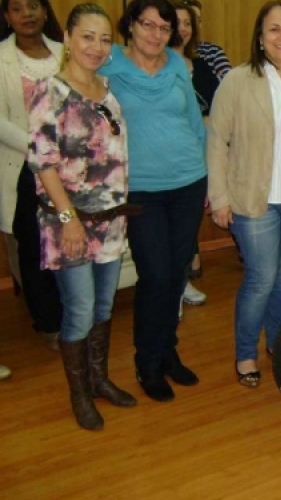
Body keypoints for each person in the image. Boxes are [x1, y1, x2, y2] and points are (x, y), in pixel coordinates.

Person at [27, 2, 138, 430]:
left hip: (109, 220)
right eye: (88, 36)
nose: (96, 46)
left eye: (105, 38)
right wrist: (68, 218)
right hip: (67, 222)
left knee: (105, 305)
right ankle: (79, 394)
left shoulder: (107, 91)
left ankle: (99, 380)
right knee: (80, 308)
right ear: (69, 41)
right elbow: (43, 162)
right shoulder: (49, 91)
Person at [207, 0, 281, 388]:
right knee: (260, 277)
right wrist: (219, 198)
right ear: (260, 38)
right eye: (274, 29)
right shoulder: (238, 81)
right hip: (253, 199)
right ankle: (245, 354)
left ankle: (279, 344)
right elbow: (216, 140)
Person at [99, 0, 207, 402]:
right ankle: (146, 362)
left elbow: (194, 123)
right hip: (141, 189)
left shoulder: (177, 65)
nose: (155, 34)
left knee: (176, 273)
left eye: (164, 27)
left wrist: (207, 177)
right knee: (156, 275)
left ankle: (167, 352)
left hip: (189, 182)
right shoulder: (108, 63)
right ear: (130, 26)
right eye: (147, 25)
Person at [1, 0, 64, 351]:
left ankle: (75, 313)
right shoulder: (1, 58)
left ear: (44, 11)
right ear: (7, 16)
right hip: (24, 168)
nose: (26, 14)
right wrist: (38, 149)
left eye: (33, 6)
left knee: (67, 238)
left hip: (69, 168)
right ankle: (48, 321)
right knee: (35, 248)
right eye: (16, 8)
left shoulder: (64, 52)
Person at [173, 1, 215, 309]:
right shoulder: (152, 67)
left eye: (187, 23)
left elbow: (217, 113)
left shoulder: (200, 67)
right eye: (176, 23)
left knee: (187, 228)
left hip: (197, 158)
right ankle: (169, 292)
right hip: (164, 160)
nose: (182, 29)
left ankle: (181, 283)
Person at [180, 0, 230, 82]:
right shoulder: (167, 54)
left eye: (198, 20)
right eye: (190, 21)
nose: (195, 24)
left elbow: (228, 83)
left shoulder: (214, 51)